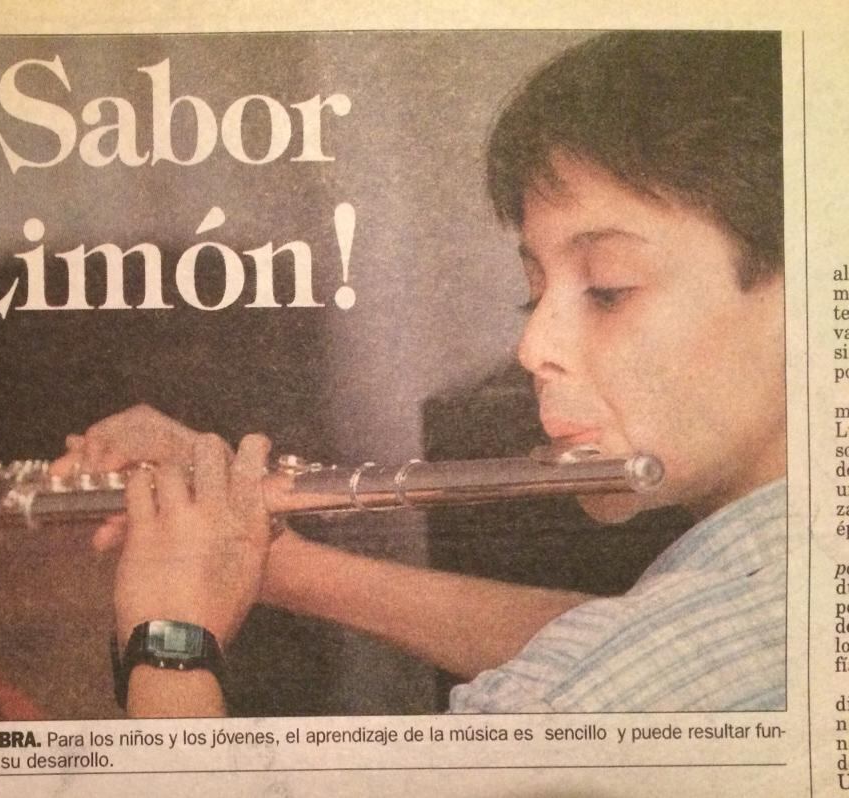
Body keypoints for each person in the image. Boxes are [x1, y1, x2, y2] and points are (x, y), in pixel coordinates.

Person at [51, 31, 786, 717]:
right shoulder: (746, 602)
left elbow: (608, 668)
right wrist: (277, 563)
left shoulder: (635, 675)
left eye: (608, 287)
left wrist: (168, 639)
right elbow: (616, 637)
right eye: (535, 292)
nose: (533, 346)